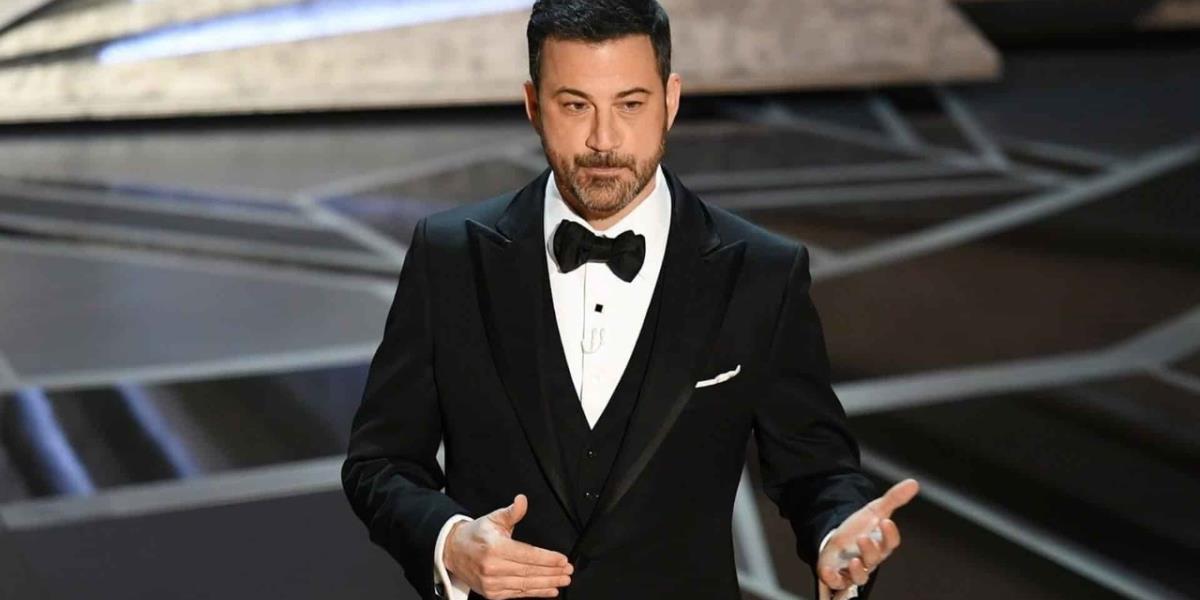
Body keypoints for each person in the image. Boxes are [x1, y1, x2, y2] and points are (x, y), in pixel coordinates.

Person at [341, 1, 918, 599]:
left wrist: (835, 537)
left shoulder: (761, 271)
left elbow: (815, 469)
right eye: (575, 105)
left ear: (670, 100)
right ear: (534, 105)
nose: (603, 140)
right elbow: (379, 463)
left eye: (630, 104)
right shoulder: (449, 256)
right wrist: (450, 543)